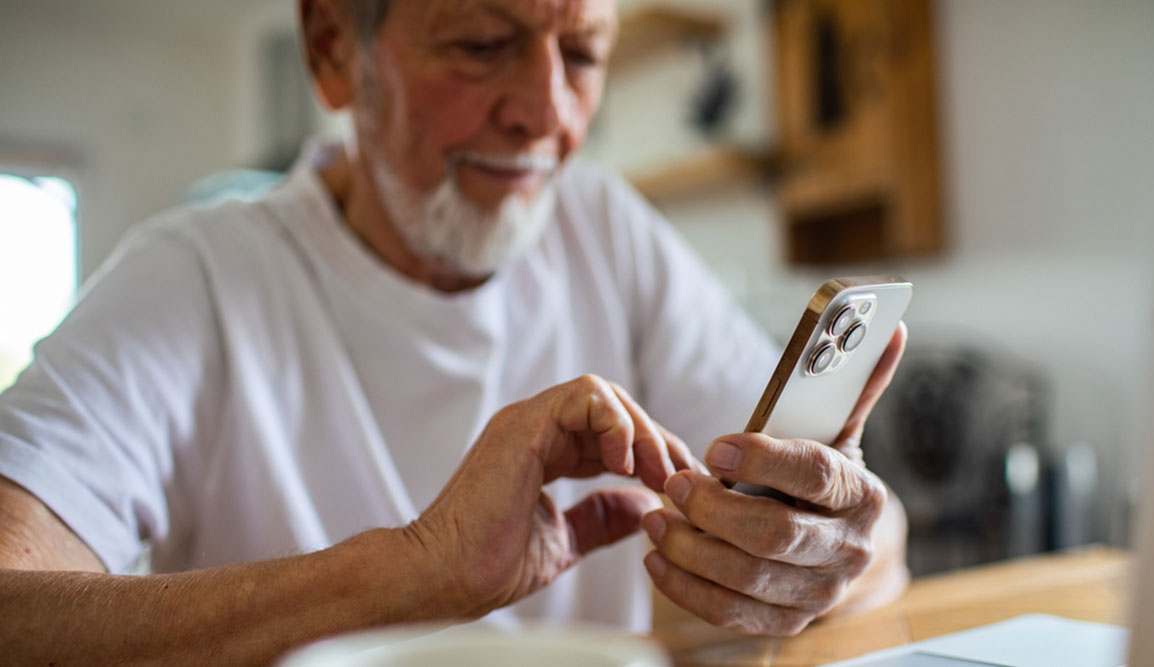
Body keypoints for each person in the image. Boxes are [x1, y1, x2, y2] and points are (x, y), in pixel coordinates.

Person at [0, 0, 910, 663]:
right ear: (332, 50)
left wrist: (832, 548)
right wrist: (410, 574)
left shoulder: (603, 224)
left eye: (584, 54)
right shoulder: (193, 276)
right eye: (482, 44)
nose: (548, 116)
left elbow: (872, 543)